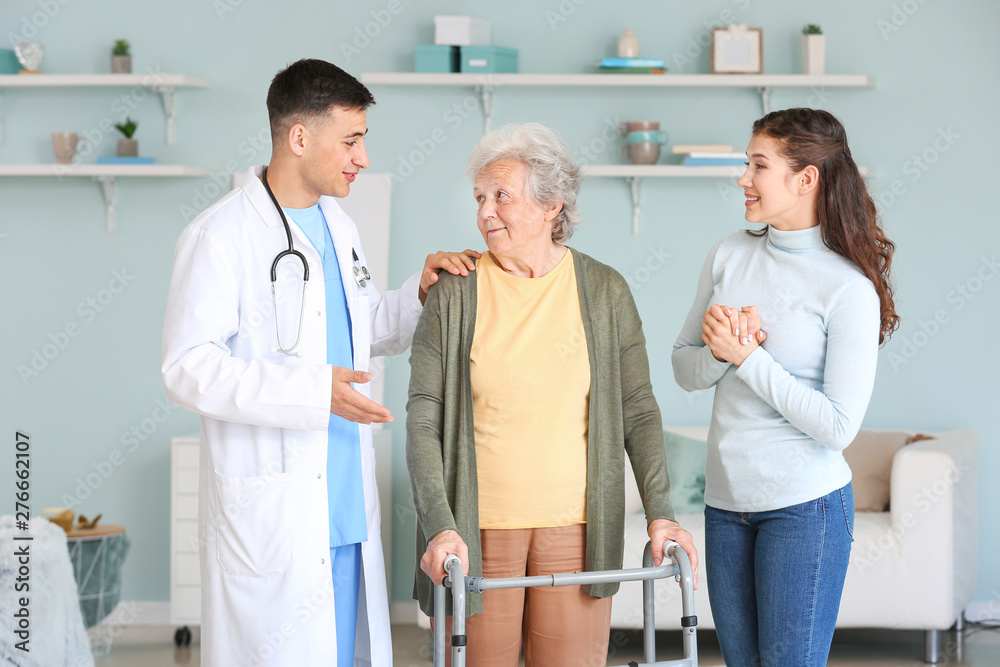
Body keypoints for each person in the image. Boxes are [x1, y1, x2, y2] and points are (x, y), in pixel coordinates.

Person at [161, 59, 479, 667]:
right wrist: (310, 391)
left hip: (345, 506)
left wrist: (419, 293)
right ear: (300, 137)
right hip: (275, 515)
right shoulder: (219, 235)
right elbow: (187, 368)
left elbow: (361, 331)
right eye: (351, 141)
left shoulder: (339, 225)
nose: (362, 157)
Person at [405, 123, 698, 666]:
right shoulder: (454, 291)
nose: (485, 212)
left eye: (501, 196)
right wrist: (442, 527)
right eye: (479, 197)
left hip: (577, 530)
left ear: (550, 205)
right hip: (474, 531)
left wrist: (661, 514)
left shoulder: (605, 291)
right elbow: (424, 418)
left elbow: (637, 410)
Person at [672, 107, 899, 667]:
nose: (743, 179)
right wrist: (721, 353)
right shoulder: (729, 254)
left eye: (758, 165)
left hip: (805, 509)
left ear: (805, 179)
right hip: (725, 505)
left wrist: (748, 357)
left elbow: (837, 427)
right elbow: (683, 367)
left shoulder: (847, 288)